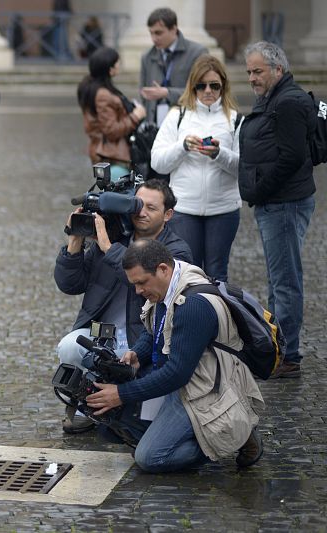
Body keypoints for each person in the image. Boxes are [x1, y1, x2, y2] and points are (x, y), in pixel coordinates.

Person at [85, 239, 265, 473]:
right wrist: (138, 354)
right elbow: (155, 330)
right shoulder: (168, 284)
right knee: (114, 426)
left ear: (162, 269)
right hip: (181, 379)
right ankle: (189, 432)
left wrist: (121, 394)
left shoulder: (193, 305)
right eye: (134, 284)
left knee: (150, 458)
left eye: (141, 283)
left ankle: (234, 434)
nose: (138, 291)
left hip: (204, 388)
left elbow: (177, 374)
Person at [54, 179, 192, 433]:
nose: (142, 212)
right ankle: (87, 406)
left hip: (140, 341)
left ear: (168, 214)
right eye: (137, 204)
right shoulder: (116, 237)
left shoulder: (175, 251)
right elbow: (70, 284)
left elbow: (151, 289)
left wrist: (109, 249)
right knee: (69, 346)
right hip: (101, 334)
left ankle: (118, 408)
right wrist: (75, 241)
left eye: (151, 207)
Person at [238, 41, 316, 379]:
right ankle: (278, 349)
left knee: (285, 282)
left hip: (284, 203)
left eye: (257, 71)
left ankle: (288, 355)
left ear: (278, 70)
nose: (251, 78)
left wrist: (259, 190)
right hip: (275, 202)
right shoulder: (273, 97)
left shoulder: (287, 102)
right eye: (249, 72)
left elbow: (292, 157)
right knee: (278, 279)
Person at [150, 54, 242, 282]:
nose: (208, 91)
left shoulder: (235, 120)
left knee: (217, 274)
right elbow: (157, 161)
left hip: (223, 209)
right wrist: (183, 147)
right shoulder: (177, 116)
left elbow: (244, 168)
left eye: (214, 85)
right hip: (185, 208)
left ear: (223, 86)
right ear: (193, 87)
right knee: (187, 274)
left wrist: (219, 154)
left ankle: (216, 308)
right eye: (201, 85)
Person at [77, 46, 147, 181]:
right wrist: (136, 116)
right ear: (110, 69)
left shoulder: (94, 88)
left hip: (106, 155)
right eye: (117, 62)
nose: (119, 65)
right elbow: (111, 130)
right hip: (112, 156)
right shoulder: (103, 95)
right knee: (118, 191)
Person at [140, 7, 207, 130]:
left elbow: (202, 91)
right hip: (155, 129)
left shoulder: (198, 53)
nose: (154, 38)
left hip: (187, 126)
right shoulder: (147, 57)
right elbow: (144, 95)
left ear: (174, 29)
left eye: (158, 33)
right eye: (151, 33)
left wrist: (167, 93)